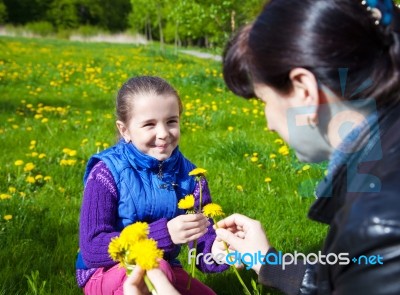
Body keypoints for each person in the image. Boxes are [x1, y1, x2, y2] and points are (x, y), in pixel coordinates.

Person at [213, 0, 400, 294]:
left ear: (304, 91)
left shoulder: (378, 225)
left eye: (265, 101)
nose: (269, 124)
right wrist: (268, 262)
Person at [75, 76, 228, 295]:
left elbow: (201, 238)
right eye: (149, 124)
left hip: (165, 267)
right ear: (124, 130)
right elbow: (92, 247)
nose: (164, 133)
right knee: (156, 270)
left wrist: (218, 250)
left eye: (171, 121)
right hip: (106, 271)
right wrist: (164, 234)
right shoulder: (107, 173)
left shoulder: (192, 177)